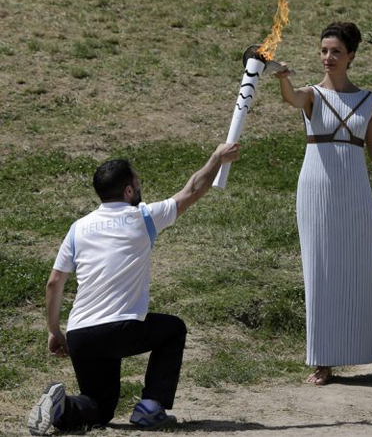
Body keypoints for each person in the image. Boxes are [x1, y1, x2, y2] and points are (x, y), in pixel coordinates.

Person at [27, 143, 239, 435]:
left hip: (80, 334)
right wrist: (216, 157)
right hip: (119, 329)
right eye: (137, 183)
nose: (140, 189)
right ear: (128, 191)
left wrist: (54, 331)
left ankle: (59, 406)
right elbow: (192, 190)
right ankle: (150, 409)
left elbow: (54, 282)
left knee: (99, 409)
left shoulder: (78, 227)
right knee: (173, 329)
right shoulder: (143, 218)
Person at [274, 22, 372, 385]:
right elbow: (292, 97)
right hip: (316, 190)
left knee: (365, 272)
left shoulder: (367, 100)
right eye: (323, 51)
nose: (328, 58)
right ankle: (323, 361)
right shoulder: (312, 95)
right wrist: (283, 78)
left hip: (355, 191)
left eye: (335, 51)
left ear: (350, 56)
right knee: (319, 272)